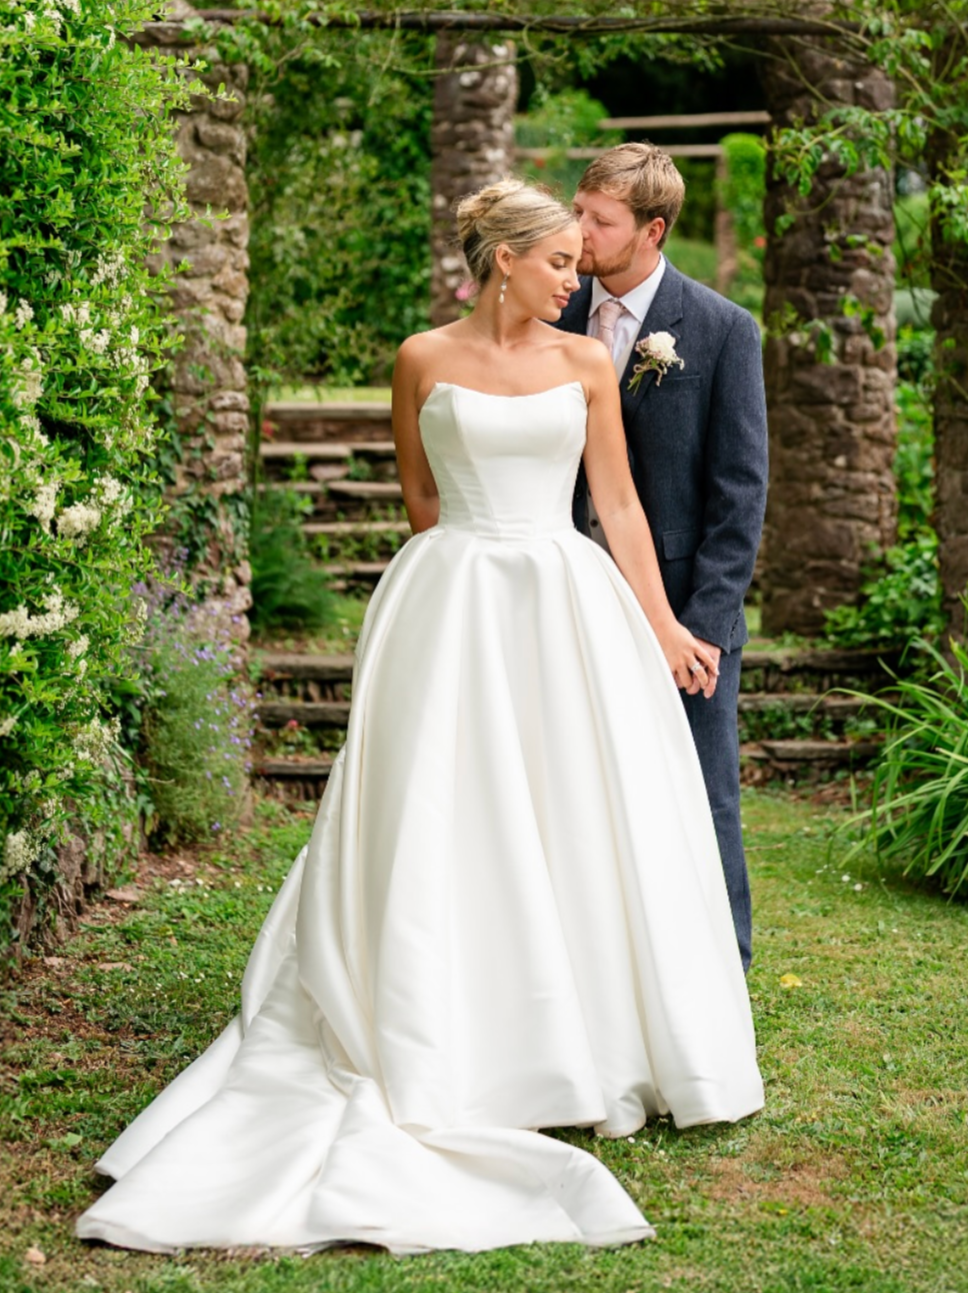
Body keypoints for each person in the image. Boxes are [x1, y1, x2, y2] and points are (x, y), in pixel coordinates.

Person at [76, 180, 763, 1257]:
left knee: (575, 810)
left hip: (562, 601)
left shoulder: (586, 364)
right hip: (450, 606)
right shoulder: (420, 358)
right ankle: (443, 1020)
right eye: (559, 266)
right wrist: (475, 563)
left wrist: (666, 626)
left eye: (581, 267)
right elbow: (424, 502)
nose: (574, 282)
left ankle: (581, 1037)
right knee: (446, 811)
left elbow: (620, 506)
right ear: (503, 260)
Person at [556, 144, 769, 972]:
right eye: (577, 211)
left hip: (682, 608)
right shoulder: (552, 308)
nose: (578, 232)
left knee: (702, 793)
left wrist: (706, 625)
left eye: (597, 221)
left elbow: (739, 491)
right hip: (568, 588)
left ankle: (722, 966)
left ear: (652, 230)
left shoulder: (720, 329)